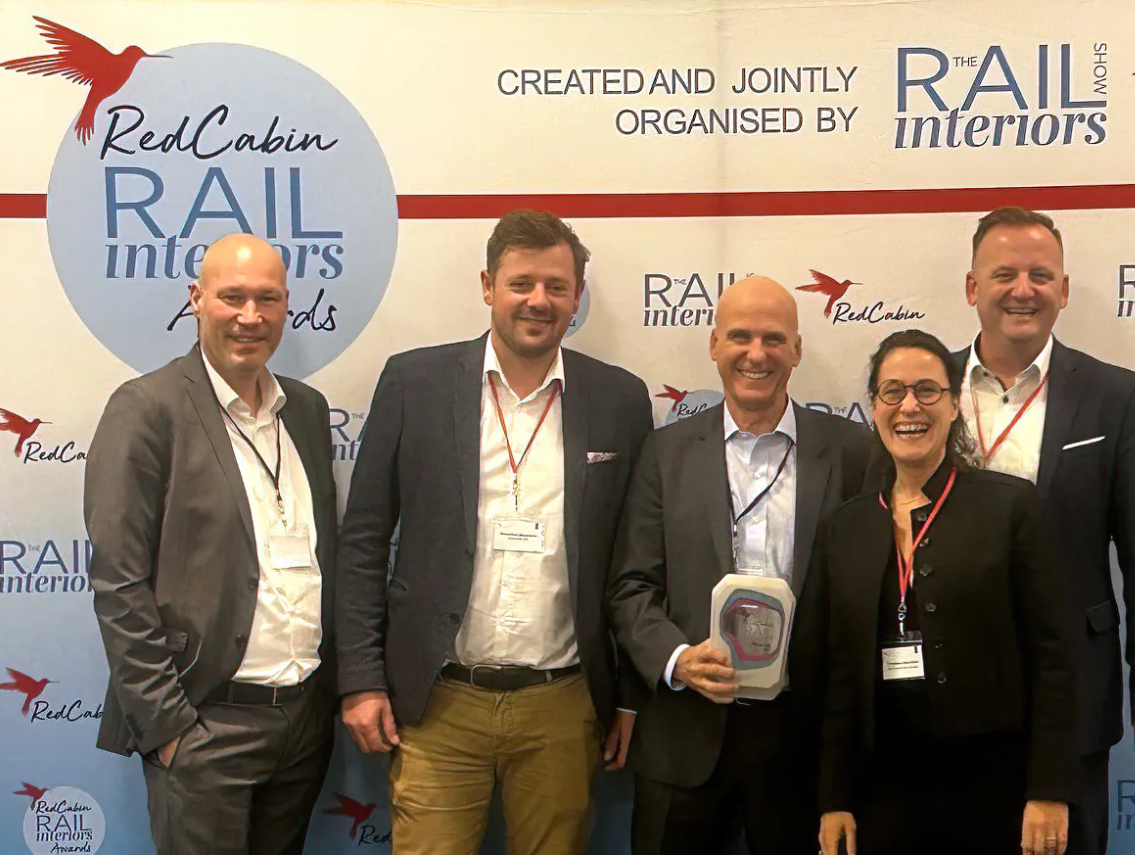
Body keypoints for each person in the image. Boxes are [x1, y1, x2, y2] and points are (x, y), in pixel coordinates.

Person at [335, 209, 653, 855]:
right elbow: (364, 538)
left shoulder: (619, 398)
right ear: (488, 286)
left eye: (556, 286)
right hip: (438, 701)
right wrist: (361, 679)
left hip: (563, 703)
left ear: (576, 297)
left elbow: (635, 561)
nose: (539, 300)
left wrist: (627, 697)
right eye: (521, 283)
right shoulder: (414, 383)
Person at [85, 234, 338, 855]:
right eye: (232, 297)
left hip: (302, 723)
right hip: (204, 726)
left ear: (286, 305)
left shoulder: (306, 410)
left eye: (267, 299)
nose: (250, 316)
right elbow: (118, 583)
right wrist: (170, 729)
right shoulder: (146, 408)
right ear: (196, 299)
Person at [606, 276, 873, 855]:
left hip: (803, 741)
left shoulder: (854, 451)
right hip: (685, 728)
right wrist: (677, 660)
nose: (757, 354)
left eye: (773, 339)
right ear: (713, 344)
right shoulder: (664, 452)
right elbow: (631, 586)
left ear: (797, 349)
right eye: (740, 337)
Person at [818, 329, 1076, 855]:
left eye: (927, 390)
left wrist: (1049, 788)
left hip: (995, 788)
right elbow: (840, 673)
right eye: (892, 391)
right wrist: (834, 797)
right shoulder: (847, 526)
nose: (909, 406)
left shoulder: (1010, 508)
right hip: (884, 790)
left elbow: (1054, 658)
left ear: (955, 403)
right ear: (873, 407)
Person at [958, 206, 1135, 855]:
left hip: (1075, 704)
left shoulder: (1116, 396)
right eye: (1003, 273)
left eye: (1040, 275)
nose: (1022, 290)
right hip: (945, 703)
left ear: (1063, 289)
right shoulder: (923, 388)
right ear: (972, 287)